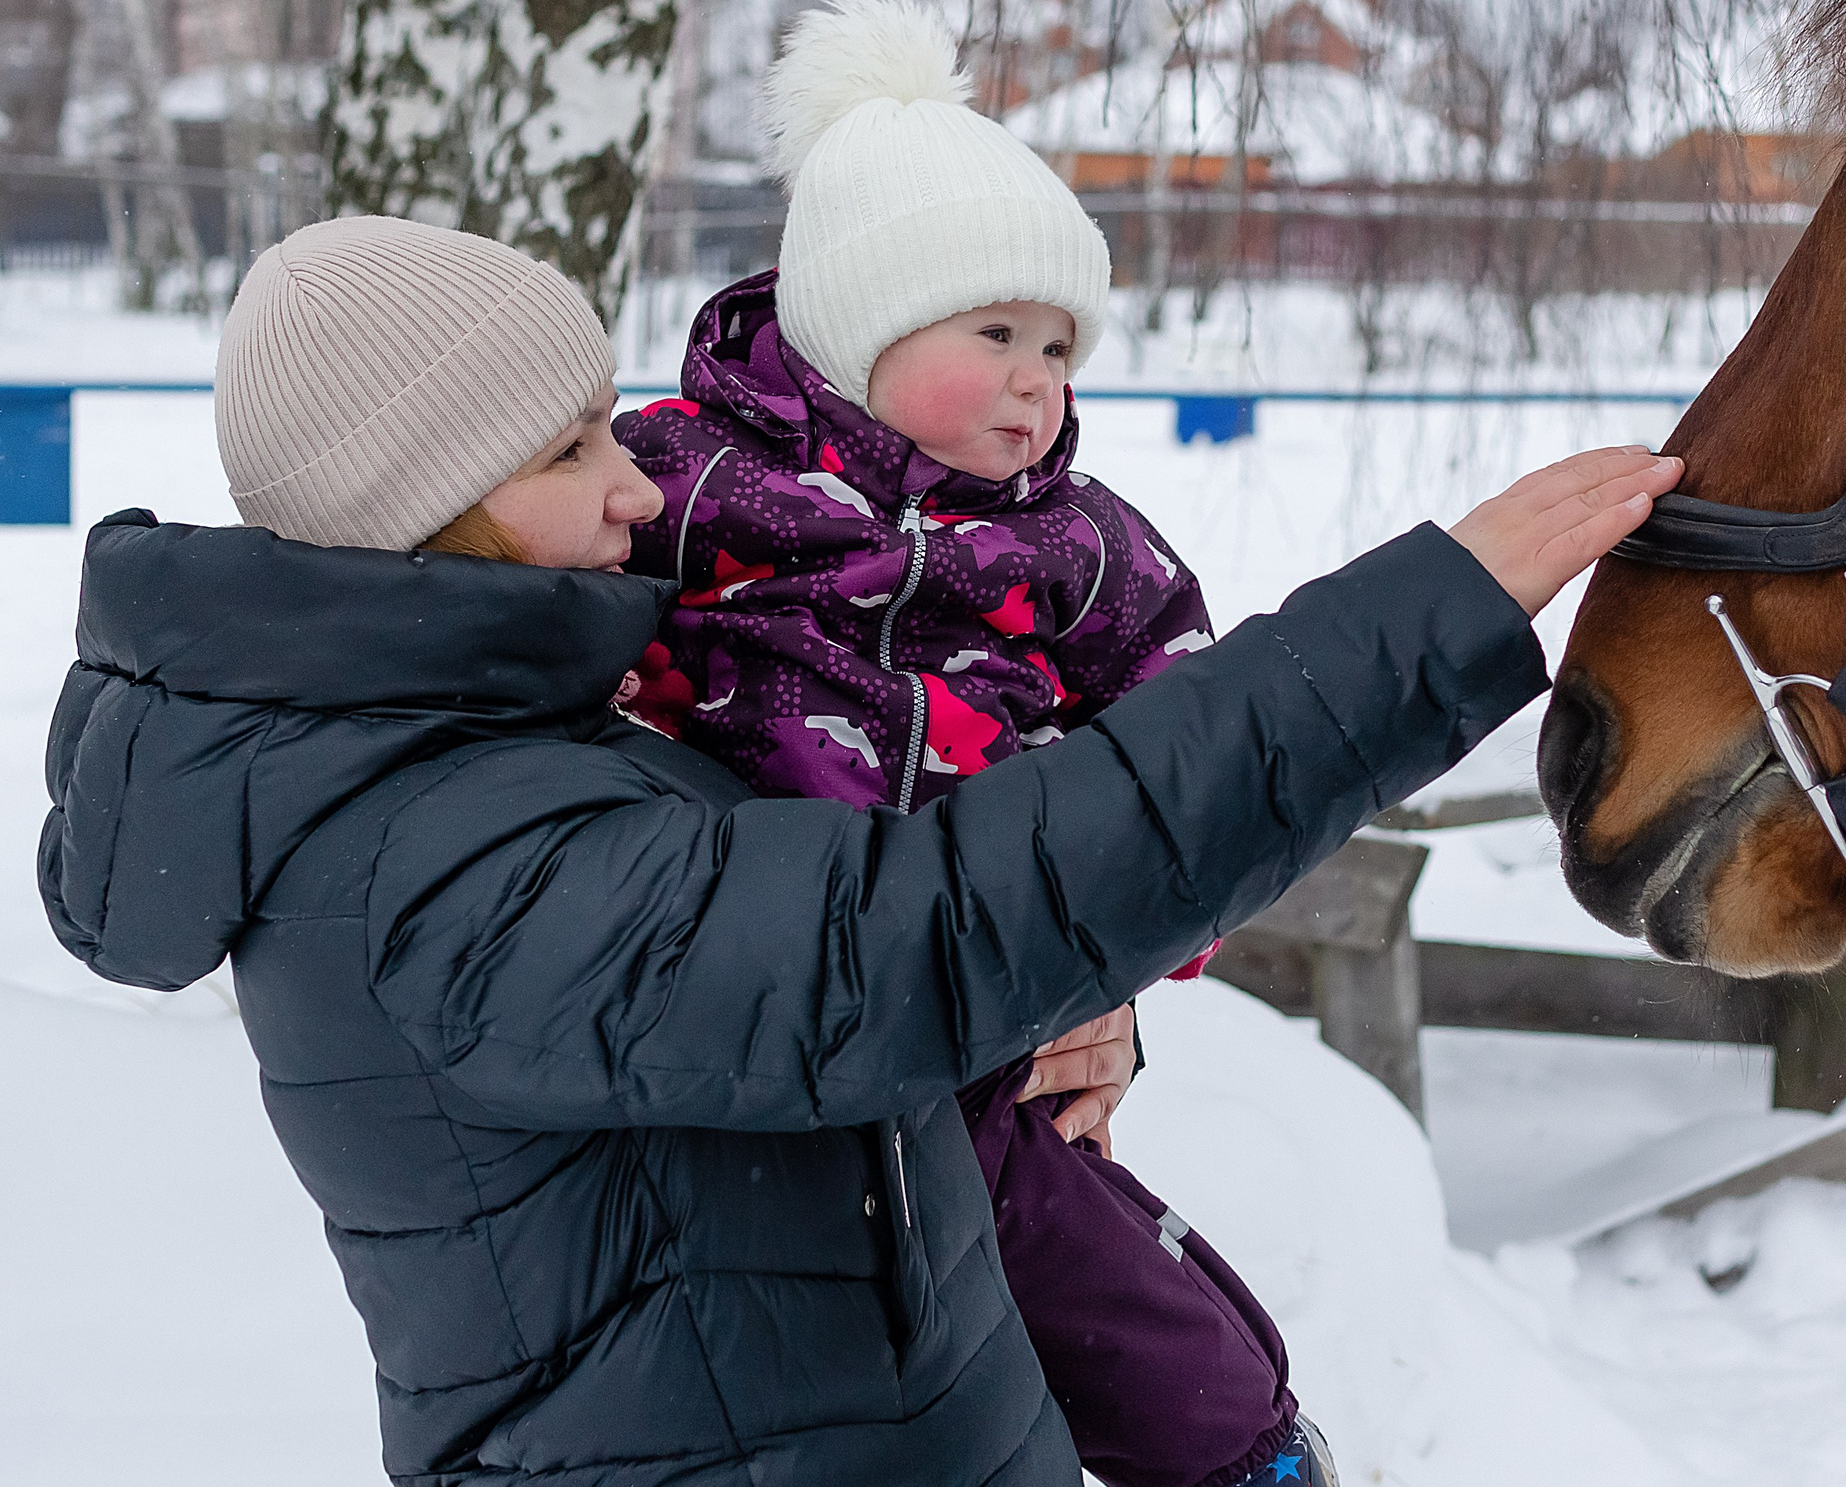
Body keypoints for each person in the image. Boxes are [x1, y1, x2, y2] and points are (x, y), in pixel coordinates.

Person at [38, 212, 1681, 1487]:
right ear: (424, 504)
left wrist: (1065, 994)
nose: (638, 487)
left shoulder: (495, 747)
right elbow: (898, 941)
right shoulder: (433, 854)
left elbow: (853, 966)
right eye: (569, 454)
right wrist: (1410, 632)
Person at [614, 0, 1309, 1487]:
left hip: (993, 1020)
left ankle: (1258, 1457)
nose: (1035, 381)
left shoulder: (1078, 541)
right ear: (857, 324)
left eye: (1059, 345)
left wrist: (1123, 961)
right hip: (751, 1006)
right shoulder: (681, 482)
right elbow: (560, 625)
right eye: (995, 331)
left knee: (1153, 1332)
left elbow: (1194, 750)